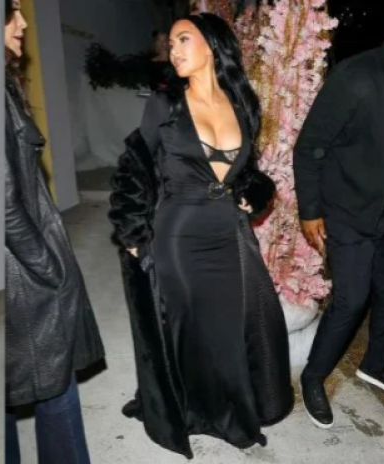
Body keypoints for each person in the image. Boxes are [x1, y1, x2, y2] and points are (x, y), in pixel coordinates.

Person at [109, 13, 294, 458]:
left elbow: (248, 172)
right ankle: (190, 411)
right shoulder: (165, 104)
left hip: (227, 231)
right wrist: (132, 230)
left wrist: (255, 193)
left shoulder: (243, 103)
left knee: (229, 328)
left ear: (212, 45)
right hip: (177, 234)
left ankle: (228, 413)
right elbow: (134, 166)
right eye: (171, 43)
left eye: (183, 40)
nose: (173, 50)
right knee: (187, 328)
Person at [4, 1, 105, 463]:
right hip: (24, 271)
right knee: (54, 378)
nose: (23, 21)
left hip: (17, 265)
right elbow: (4, 204)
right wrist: (50, 268)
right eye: (12, 11)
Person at [294, 12, 384, 430]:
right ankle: (313, 376)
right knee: (352, 299)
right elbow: (310, 146)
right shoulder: (357, 75)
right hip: (349, 210)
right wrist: (310, 210)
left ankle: (374, 364)